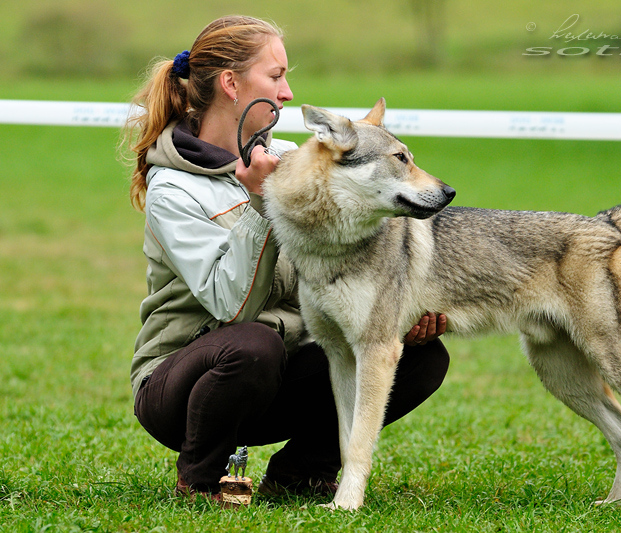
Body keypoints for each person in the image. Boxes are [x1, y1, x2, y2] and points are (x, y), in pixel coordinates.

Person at [122, 15, 449, 500]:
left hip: (278, 367)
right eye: (275, 76)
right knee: (252, 343)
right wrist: (260, 205)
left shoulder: (293, 161)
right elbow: (231, 307)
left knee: (417, 356)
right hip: (185, 386)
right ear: (232, 84)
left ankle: (301, 473)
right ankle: (200, 478)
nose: (287, 92)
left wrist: (396, 313)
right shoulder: (174, 188)